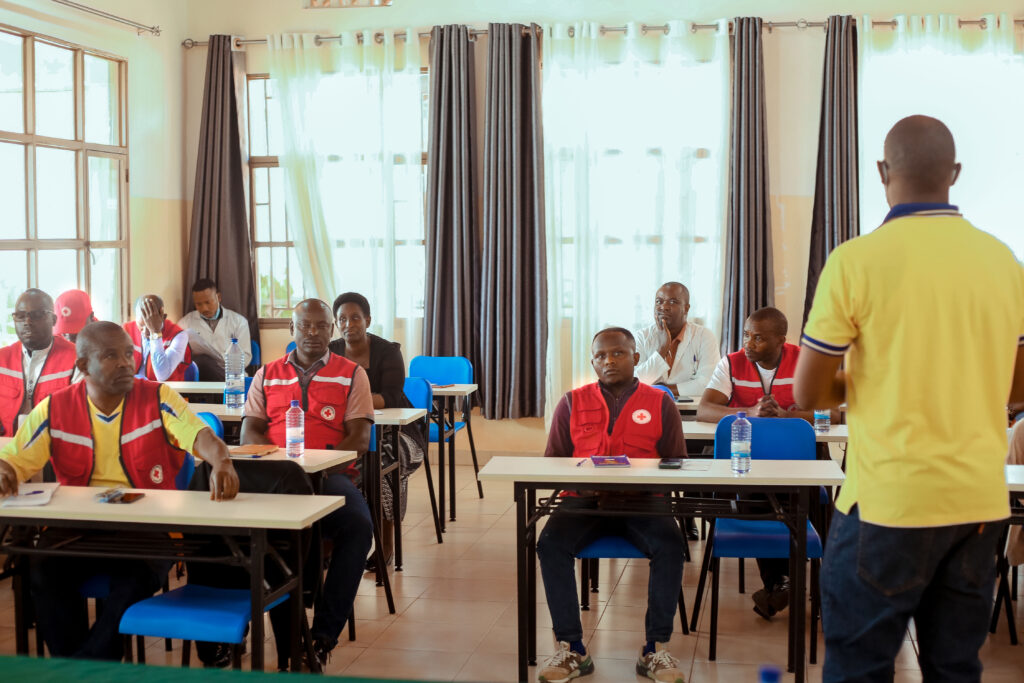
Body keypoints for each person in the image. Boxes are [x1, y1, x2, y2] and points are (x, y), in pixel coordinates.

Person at [795, 115, 1024, 682]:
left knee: (860, 669)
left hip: (888, 503)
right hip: (977, 505)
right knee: (955, 668)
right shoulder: (1003, 261)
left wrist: (868, 380)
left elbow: (808, 391)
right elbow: (1019, 387)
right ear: (955, 173)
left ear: (882, 171)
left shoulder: (856, 260)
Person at [0, 321, 239, 660]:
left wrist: (222, 461)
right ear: (84, 366)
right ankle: (86, 669)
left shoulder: (157, 397)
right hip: (76, 530)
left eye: (128, 353)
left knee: (130, 585)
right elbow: (15, 459)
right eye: (111, 356)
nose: (126, 362)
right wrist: (4, 470)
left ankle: (84, 670)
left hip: (148, 530)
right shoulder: (56, 408)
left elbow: (199, 435)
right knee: (43, 573)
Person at [537, 327, 687, 683]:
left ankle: (655, 649)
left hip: (643, 503)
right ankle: (572, 648)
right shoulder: (571, 402)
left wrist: (638, 488)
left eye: (618, 353)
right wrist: (587, 487)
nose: (609, 361)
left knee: (671, 544)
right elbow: (553, 464)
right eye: (601, 356)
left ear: (636, 358)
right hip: (584, 502)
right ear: (593, 363)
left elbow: (677, 462)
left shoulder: (660, 402)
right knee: (549, 543)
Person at [241, 299, 374, 668]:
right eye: (304, 325)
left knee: (359, 526)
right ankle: (288, 645)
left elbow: (360, 438)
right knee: (273, 535)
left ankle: (323, 635)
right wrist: (277, 466)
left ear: (331, 330)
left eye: (320, 326)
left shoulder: (352, 374)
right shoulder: (266, 374)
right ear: (292, 330)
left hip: (329, 477)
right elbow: (250, 431)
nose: (312, 333)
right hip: (276, 480)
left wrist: (321, 467)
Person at [697, 306, 829, 620]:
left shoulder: (805, 361)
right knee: (763, 501)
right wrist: (750, 413)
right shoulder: (732, 363)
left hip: (800, 465)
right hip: (750, 463)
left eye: (758, 337)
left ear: (781, 340)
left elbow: (831, 414)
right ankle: (787, 582)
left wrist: (786, 417)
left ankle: (805, 586)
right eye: (746, 335)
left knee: (815, 505)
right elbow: (705, 410)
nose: (749, 343)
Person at [328, 292, 426, 568]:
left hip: (401, 435)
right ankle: (332, 544)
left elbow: (392, 397)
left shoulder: (388, 351)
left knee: (382, 463)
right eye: (342, 319)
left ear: (368, 320)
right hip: (353, 433)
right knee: (336, 465)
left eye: (355, 318)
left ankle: (385, 543)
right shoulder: (330, 351)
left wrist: (351, 401)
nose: (349, 324)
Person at [0, 289, 79, 437]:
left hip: (54, 447)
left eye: (37, 315)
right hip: (6, 446)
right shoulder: (2, 359)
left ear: (54, 320)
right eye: (20, 316)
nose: (27, 322)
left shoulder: (76, 359)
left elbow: (80, 415)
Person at [634, 282, 720, 397]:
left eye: (673, 302)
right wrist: (662, 349)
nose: (663, 307)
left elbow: (709, 383)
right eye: (659, 301)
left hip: (690, 407)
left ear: (686, 308)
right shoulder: (642, 336)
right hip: (650, 405)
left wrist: (661, 389)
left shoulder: (704, 336)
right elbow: (635, 382)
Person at [178, 278, 252, 381]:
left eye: (208, 302)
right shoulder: (185, 323)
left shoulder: (239, 322)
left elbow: (246, 357)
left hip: (231, 373)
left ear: (219, 297)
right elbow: (178, 356)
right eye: (199, 304)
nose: (204, 308)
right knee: (203, 362)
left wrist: (220, 361)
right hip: (202, 375)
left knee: (206, 363)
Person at [123, 294, 192, 382]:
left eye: (149, 325)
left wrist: (155, 332)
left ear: (163, 317)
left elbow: (162, 375)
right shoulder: (126, 330)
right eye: (141, 325)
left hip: (166, 388)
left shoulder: (179, 336)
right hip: (135, 386)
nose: (145, 331)